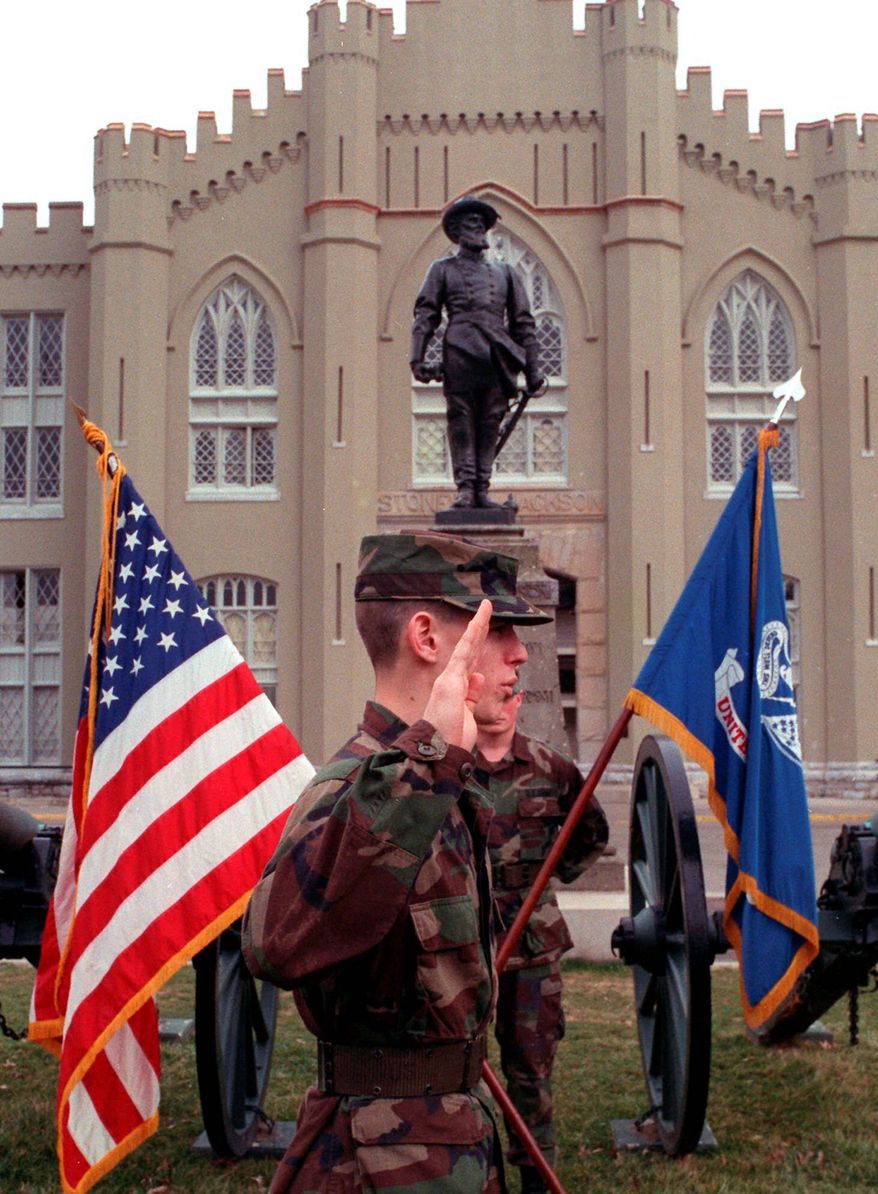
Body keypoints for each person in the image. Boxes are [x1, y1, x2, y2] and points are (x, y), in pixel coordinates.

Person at [243, 531, 552, 1193]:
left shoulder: (439, 783)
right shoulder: (355, 786)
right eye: (496, 630)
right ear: (427, 638)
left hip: (449, 1142)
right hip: (376, 1162)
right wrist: (430, 756)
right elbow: (275, 946)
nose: (519, 654)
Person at [473, 691, 609, 1194]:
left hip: (532, 945)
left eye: (508, 696)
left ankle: (534, 1176)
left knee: (530, 1070)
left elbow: (591, 831)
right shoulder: (450, 765)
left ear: (519, 700)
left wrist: (550, 878)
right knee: (453, 1070)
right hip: (465, 946)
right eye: (492, 695)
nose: (500, 704)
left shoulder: (551, 766)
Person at [410, 196, 545, 510]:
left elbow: (523, 322)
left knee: (490, 422)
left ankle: (482, 488)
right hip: (459, 350)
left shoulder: (507, 273)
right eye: (468, 221)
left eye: (480, 221)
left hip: (497, 355)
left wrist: (534, 367)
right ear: (456, 231)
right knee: (461, 420)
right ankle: (465, 489)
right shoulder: (441, 270)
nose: (476, 225)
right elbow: (426, 314)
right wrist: (417, 358)